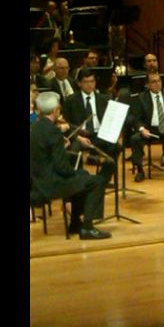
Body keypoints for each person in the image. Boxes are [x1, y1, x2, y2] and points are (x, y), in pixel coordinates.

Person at [30, 92, 111, 240]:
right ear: (55, 110)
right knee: (96, 181)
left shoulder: (35, 128)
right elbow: (62, 167)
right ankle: (87, 228)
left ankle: (75, 223)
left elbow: (46, 156)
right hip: (51, 184)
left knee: (83, 176)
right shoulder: (52, 131)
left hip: (37, 181)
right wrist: (74, 170)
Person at [61, 68, 119, 188]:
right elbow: (66, 123)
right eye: (86, 82)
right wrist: (78, 137)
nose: (89, 84)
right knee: (73, 151)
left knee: (116, 147)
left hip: (99, 134)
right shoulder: (71, 100)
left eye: (92, 81)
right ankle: (77, 182)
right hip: (80, 136)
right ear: (79, 83)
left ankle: (102, 179)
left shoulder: (104, 99)